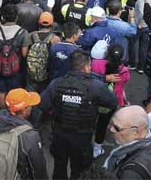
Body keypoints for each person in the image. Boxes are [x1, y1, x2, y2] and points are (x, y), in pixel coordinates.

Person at [41, 49, 117, 179]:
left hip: (60, 134)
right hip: (82, 136)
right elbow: (112, 102)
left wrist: (59, 108)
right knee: (80, 171)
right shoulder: (96, 86)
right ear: (87, 67)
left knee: (59, 167)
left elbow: (43, 104)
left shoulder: (56, 83)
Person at [0, 88, 49, 180]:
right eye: (29, 105)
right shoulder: (30, 136)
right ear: (24, 110)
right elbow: (38, 169)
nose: (31, 107)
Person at [103, 105, 151, 179]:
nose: (111, 129)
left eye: (117, 128)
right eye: (112, 123)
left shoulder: (131, 174)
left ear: (136, 133)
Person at [0, 3, 29, 108]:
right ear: (17, 17)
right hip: (16, 68)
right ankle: (13, 110)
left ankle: (2, 111)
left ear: (3, 17)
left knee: (1, 90)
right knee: (15, 91)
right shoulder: (23, 32)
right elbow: (24, 54)